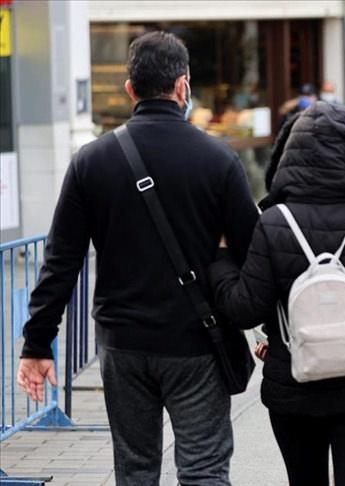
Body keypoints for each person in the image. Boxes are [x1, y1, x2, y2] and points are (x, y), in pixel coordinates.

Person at [16, 31, 259, 485]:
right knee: (204, 468)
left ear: (130, 90)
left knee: (135, 470)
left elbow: (61, 261)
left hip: (123, 342)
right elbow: (252, 252)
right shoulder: (218, 161)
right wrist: (265, 324)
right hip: (197, 342)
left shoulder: (91, 161)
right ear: (183, 86)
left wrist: (37, 344)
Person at [209, 101, 345, 486]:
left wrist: (221, 260)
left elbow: (243, 308)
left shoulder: (274, 222)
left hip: (293, 384)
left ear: (290, 155)